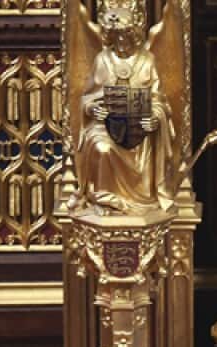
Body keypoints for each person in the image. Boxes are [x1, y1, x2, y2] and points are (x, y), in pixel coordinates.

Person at [76, 1, 177, 213]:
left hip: (138, 128)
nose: (121, 41)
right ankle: (104, 199)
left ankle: (144, 197)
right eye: (117, 36)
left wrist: (155, 117)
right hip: (105, 126)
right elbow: (87, 98)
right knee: (101, 147)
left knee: (145, 141)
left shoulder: (147, 61)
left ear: (134, 34)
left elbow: (160, 101)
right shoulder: (102, 60)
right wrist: (93, 109)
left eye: (125, 35)